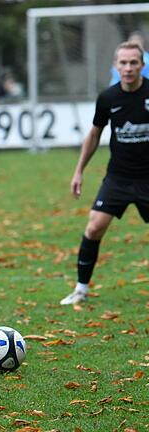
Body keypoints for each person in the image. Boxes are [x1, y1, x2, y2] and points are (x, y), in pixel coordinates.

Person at [61, 41, 149, 305]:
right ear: (115, 66)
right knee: (94, 227)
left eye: (134, 62)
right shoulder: (108, 98)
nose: (128, 68)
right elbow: (94, 134)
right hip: (118, 178)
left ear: (142, 66)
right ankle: (81, 289)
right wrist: (79, 171)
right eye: (123, 63)